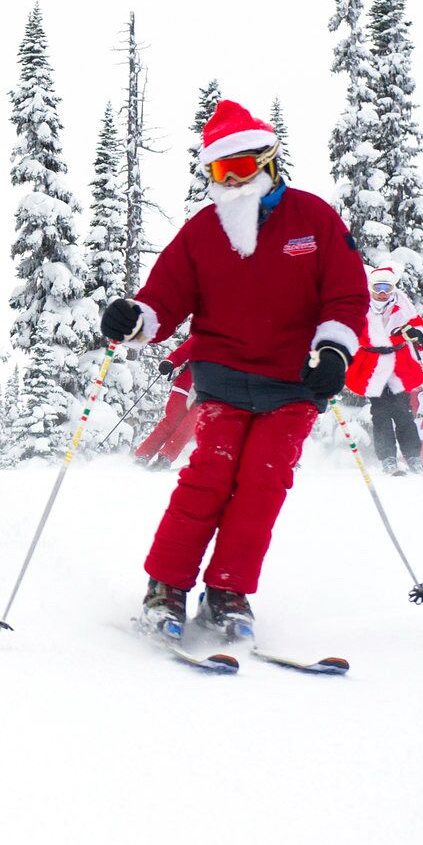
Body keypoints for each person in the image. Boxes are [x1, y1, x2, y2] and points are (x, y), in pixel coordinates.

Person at [100, 100, 367, 641]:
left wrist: (335, 351)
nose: (235, 182)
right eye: (222, 173)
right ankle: (165, 586)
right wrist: (136, 319)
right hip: (222, 376)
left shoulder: (314, 219)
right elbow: (164, 299)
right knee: (208, 479)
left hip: (294, 382)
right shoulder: (203, 232)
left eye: (244, 168)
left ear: (270, 161)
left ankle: (228, 591)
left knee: (262, 486)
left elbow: (345, 296)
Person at [345, 263, 423, 476]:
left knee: (403, 411)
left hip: (398, 363)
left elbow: (420, 325)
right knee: (381, 412)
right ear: (371, 288)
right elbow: (347, 328)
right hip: (371, 365)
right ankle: (388, 459)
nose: (383, 293)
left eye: (387, 288)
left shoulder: (402, 305)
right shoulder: (361, 305)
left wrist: (418, 334)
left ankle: (413, 457)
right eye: (378, 288)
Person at [132, 342, 197, 471]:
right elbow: (183, 351)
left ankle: (166, 457)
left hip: (208, 394)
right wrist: (170, 362)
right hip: (185, 386)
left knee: (188, 427)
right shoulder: (206, 334)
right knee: (171, 422)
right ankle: (143, 455)